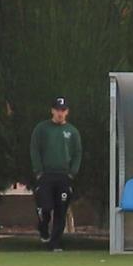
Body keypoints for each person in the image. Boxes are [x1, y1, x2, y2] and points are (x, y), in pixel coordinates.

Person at [29, 97, 82, 252]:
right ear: (52, 110)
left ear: (67, 112)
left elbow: (78, 153)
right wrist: (38, 171)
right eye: (58, 110)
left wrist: (72, 173)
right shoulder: (42, 129)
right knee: (45, 207)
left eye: (63, 110)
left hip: (64, 176)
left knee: (61, 210)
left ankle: (55, 243)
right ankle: (43, 227)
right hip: (46, 175)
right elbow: (34, 149)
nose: (60, 113)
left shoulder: (72, 131)